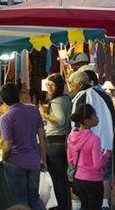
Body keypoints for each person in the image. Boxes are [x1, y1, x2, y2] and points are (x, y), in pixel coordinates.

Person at [0, 83, 47, 210]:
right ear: (19, 94)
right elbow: (42, 137)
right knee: (35, 198)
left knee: (20, 200)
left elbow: (7, 146)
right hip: (33, 160)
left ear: (3, 100)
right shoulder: (33, 109)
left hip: (15, 163)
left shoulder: (5, 118)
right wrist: (43, 159)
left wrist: (4, 158)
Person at [68, 104, 111, 210]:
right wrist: (106, 154)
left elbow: (71, 159)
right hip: (93, 181)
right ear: (87, 120)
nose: (97, 118)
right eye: (95, 115)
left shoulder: (71, 136)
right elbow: (97, 164)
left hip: (78, 179)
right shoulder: (94, 139)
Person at [39, 74, 71, 210]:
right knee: (63, 179)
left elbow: (61, 120)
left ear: (58, 86)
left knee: (57, 179)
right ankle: (66, 206)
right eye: (47, 85)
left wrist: (44, 114)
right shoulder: (66, 98)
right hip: (64, 141)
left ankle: (60, 207)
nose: (49, 88)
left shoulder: (56, 101)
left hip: (54, 143)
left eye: (52, 85)